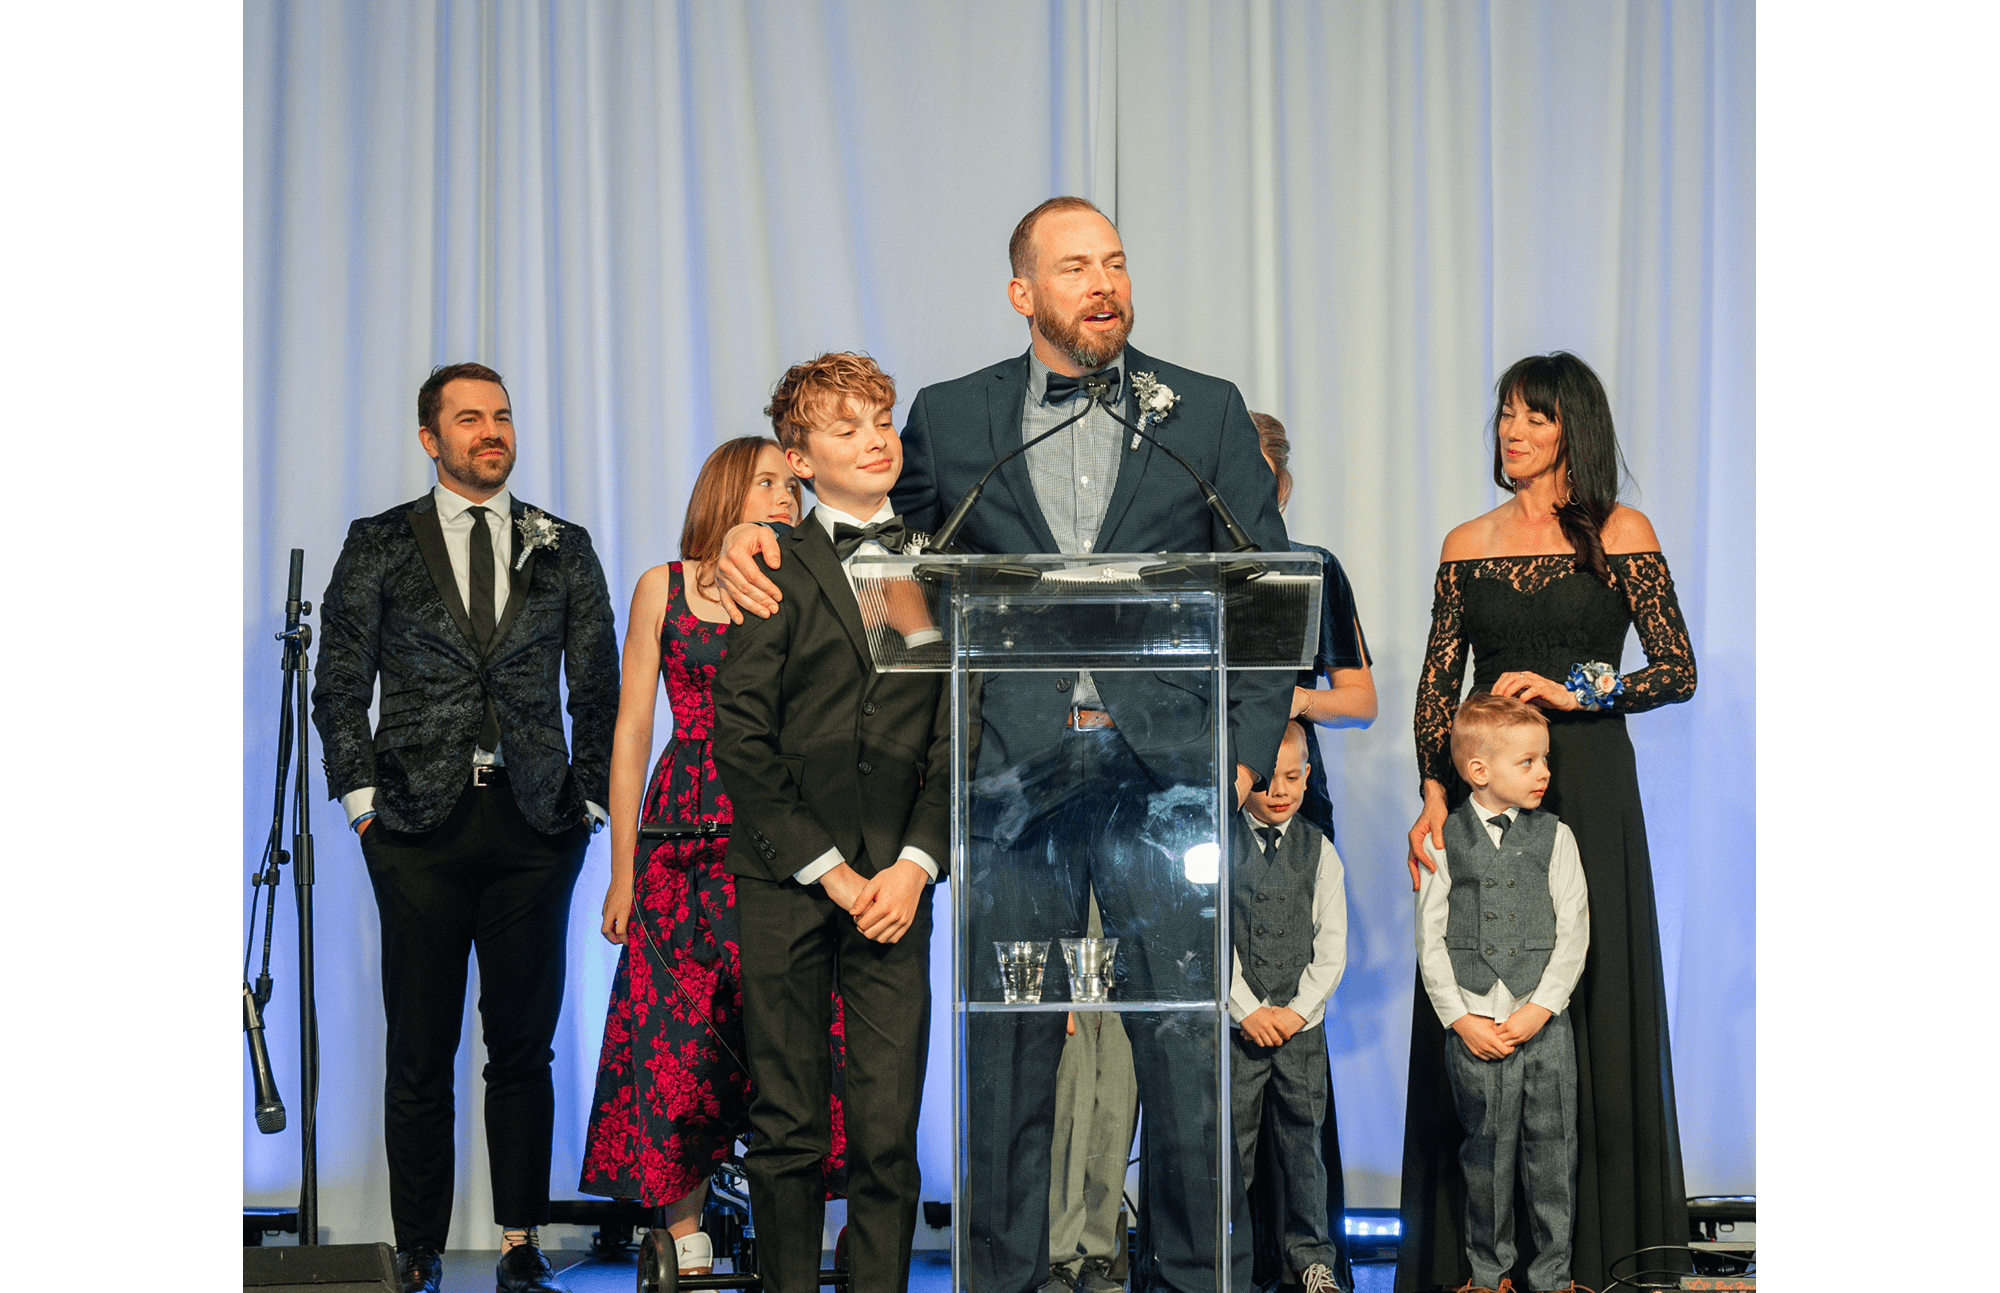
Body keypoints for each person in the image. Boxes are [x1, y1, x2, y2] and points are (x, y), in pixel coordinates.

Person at [712, 196, 1292, 1293]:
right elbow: (883, 547)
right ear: (1023, 294)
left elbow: (1266, 584)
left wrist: (1245, 743)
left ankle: (1184, 1281)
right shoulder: (951, 416)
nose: (1103, 283)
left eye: (1114, 262)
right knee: (1010, 1054)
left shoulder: (1204, 411)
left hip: (1165, 777)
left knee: (1177, 1055)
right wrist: (762, 524)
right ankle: (1004, 1282)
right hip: (1010, 780)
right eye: (1075, 267)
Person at [311, 362, 618, 1293]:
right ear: (429, 437)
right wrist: (362, 806)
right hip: (413, 829)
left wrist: (591, 801)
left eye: (504, 416)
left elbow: (600, 686)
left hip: (536, 829)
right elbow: (337, 686)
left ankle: (522, 1244)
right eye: (472, 417)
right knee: (420, 1051)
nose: (493, 430)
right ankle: (418, 1249)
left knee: (524, 1048)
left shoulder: (563, 544)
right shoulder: (376, 544)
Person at [1397, 352, 1696, 1293]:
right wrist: (1434, 794)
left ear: (1574, 428)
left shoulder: (1622, 530)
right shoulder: (1464, 541)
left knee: (1593, 991)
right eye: (1504, 417)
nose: (1511, 433)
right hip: (1481, 790)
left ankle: (1596, 1251)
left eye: (1533, 417)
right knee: (1475, 984)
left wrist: (1575, 694)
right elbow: (1437, 685)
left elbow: (1675, 668)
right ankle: (1473, 1260)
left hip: (1589, 785)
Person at [711, 353, 954, 1293]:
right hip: (787, 881)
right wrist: (832, 870)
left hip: (897, 885)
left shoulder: (920, 568)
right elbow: (742, 736)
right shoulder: (772, 557)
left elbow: (941, 731)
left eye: (884, 420)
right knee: (787, 1126)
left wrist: (914, 865)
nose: (876, 439)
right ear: (799, 457)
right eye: (847, 427)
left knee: (889, 1130)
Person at [578, 436, 849, 1275]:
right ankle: (685, 1230)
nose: (784, 497)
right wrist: (623, 868)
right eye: (766, 481)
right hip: (681, 834)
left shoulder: (804, 584)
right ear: (727, 489)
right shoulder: (663, 585)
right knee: (676, 1032)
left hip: (784, 825)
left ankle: (809, 1228)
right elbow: (630, 732)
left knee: (804, 1027)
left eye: (790, 485)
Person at [1415, 693, 1589, 1293]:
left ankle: (1553, 1278)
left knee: (1552, 1151)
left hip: (1544, 1025)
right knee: (1485, 1156)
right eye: (1528, 762)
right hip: (1475, 1023)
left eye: (1545, 761)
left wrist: (1542, 1007)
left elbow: (1575, 928)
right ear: (1479, 771)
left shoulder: (1556, 836)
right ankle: (1489, 1278)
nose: (1544, 773)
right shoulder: (1442, 839)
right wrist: (1461, 1020)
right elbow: (1430, 938)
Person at [1228, 721, 1349, 1293]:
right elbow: (1209, 940)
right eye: (1268, 779)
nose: (1281, 791)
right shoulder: (1218, 844)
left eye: (1294, 778)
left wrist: (1297, 1012)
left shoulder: (1319, 851)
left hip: (1302, 1030)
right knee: (1234, 1147)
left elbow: (1332, 948)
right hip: (1238, 1027)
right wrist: (1246, 1008)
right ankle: (1228, 1262)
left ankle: (1311, 1261)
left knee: (1304, 1146)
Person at [1250, 410, 1376, 836]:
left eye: (1259, 480)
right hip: (1190, 788)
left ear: (1280, 485)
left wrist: (1297, 700)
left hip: (1289, 796)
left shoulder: (1314, 567)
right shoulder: (1171, 571)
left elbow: (1361, 704)